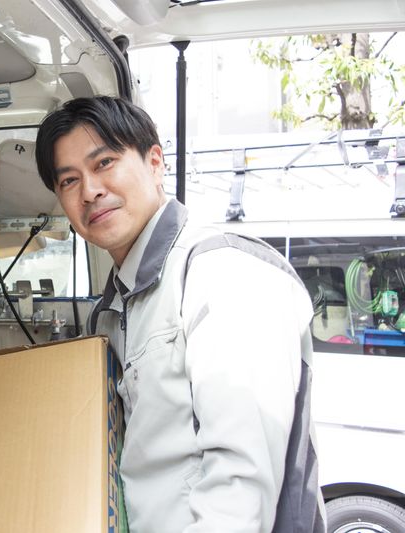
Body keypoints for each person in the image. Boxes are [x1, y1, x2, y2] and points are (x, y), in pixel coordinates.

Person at [35, 96, 325, 533]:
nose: (90, 191)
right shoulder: (110, 312)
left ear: (155, 163)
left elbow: (239, 488)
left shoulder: (222, 273)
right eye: (69, 180)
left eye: (104, 163)